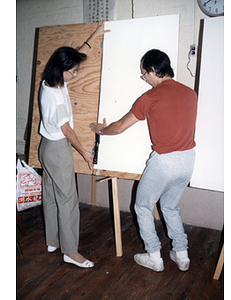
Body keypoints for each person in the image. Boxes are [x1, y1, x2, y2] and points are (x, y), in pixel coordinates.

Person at [90, 49, 197, 272]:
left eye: (144, 74)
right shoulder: (190, 93)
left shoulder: (150, 97)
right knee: (170, 207)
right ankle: (182, 254)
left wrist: (101, 130)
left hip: (164, 162)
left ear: (152, 70)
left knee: (142, 206)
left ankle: (154, 257)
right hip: (187, 161)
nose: (145, 79)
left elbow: (119, 127)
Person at [39, 22, 110, 268]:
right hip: (58, 150)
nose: (76, 74)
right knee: (68, 199)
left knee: (50, 195)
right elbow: (67, 130)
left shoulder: (50, 81)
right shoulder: (56, 96)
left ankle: (53, 241)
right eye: (74, 71)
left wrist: (95, 35)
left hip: (45, 147)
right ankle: (70, 251)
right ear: (63, 69)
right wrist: (85, 153)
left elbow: (78, 52)